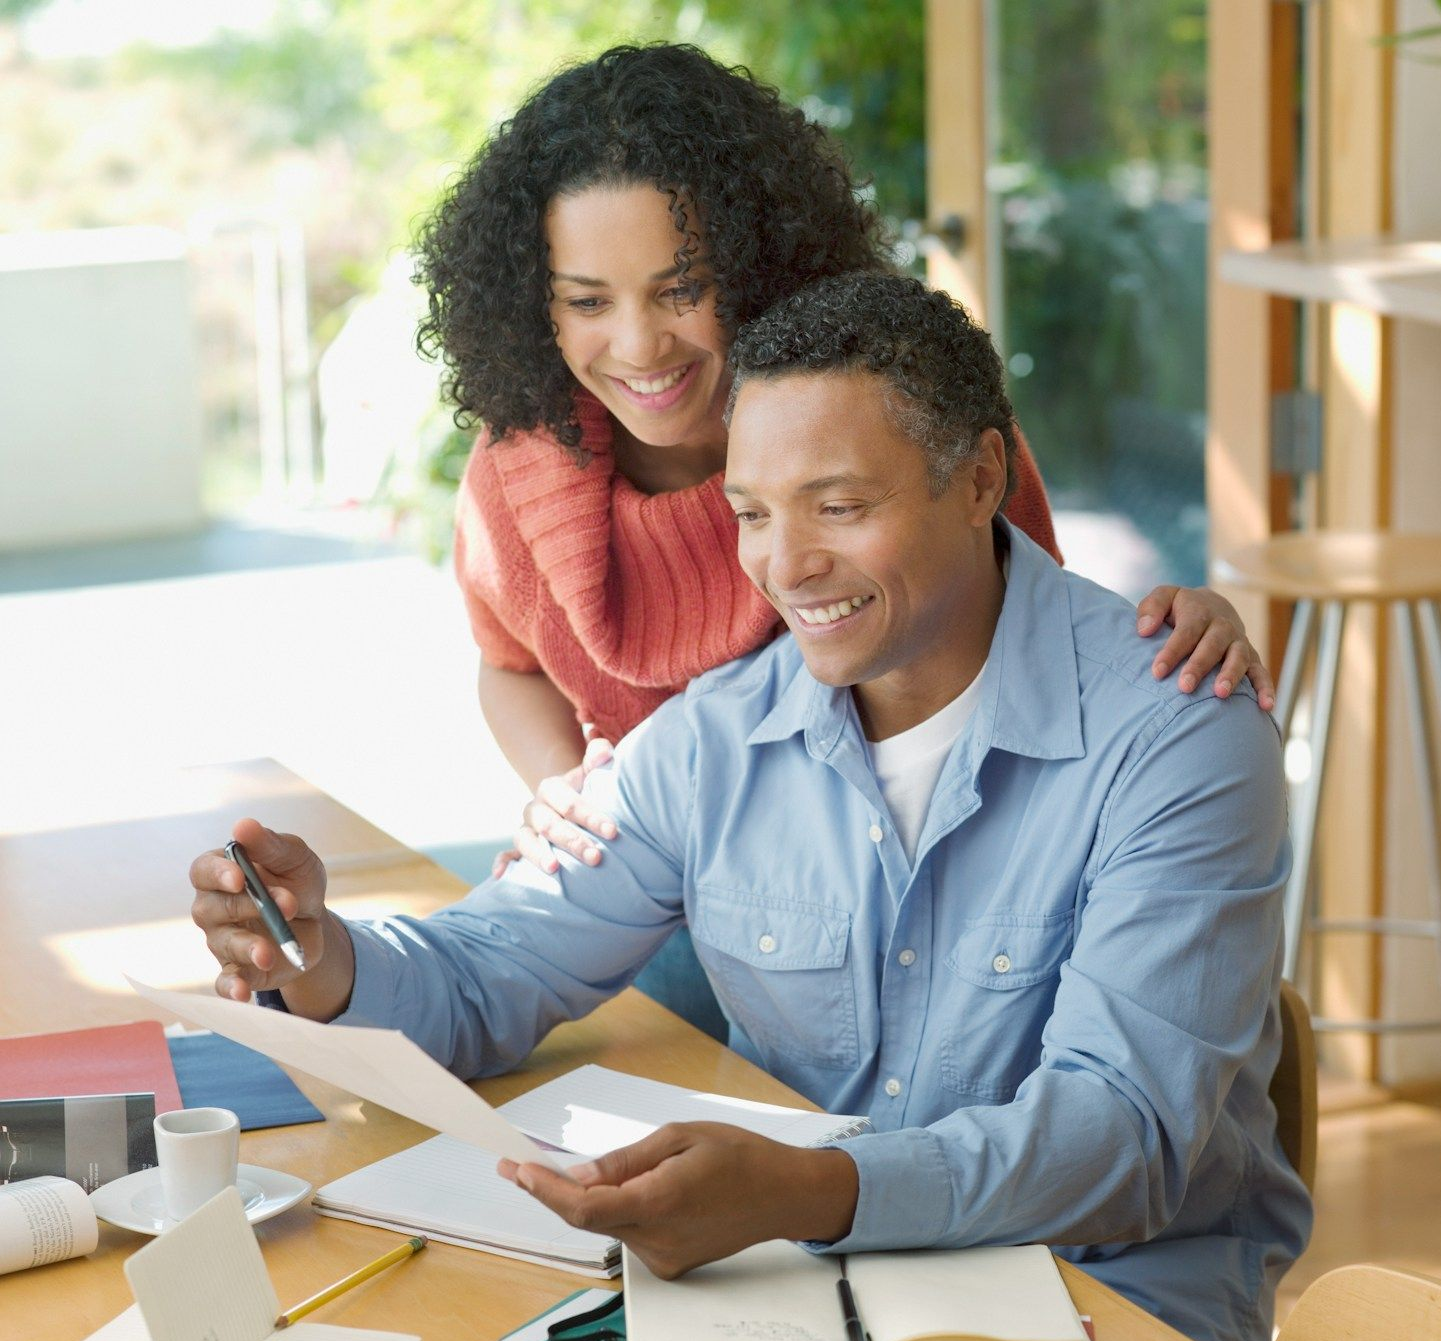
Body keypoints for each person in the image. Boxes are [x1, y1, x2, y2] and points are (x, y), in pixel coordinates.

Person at [191, 273, 1310, 1341]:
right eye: (751, 513)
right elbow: (489, 969)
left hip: (1110, 1314)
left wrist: (808, 1191)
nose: (785, 563)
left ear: (978, 480)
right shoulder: (721, 736)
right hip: (807, 1301)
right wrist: (322, 953)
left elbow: (1120, 1139)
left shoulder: (1177, 738)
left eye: (840, 505)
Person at [412, 46, 1273, 1037]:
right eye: (588, 301)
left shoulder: (884, 412)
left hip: (873, 896)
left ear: (752, 264)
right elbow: (506, 666)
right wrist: (563, 791)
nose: (640, 345)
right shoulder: (521, 468)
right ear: (536, 304)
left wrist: (1170, 638)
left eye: (680, 288)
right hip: (635, 871)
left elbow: (1029, 642)